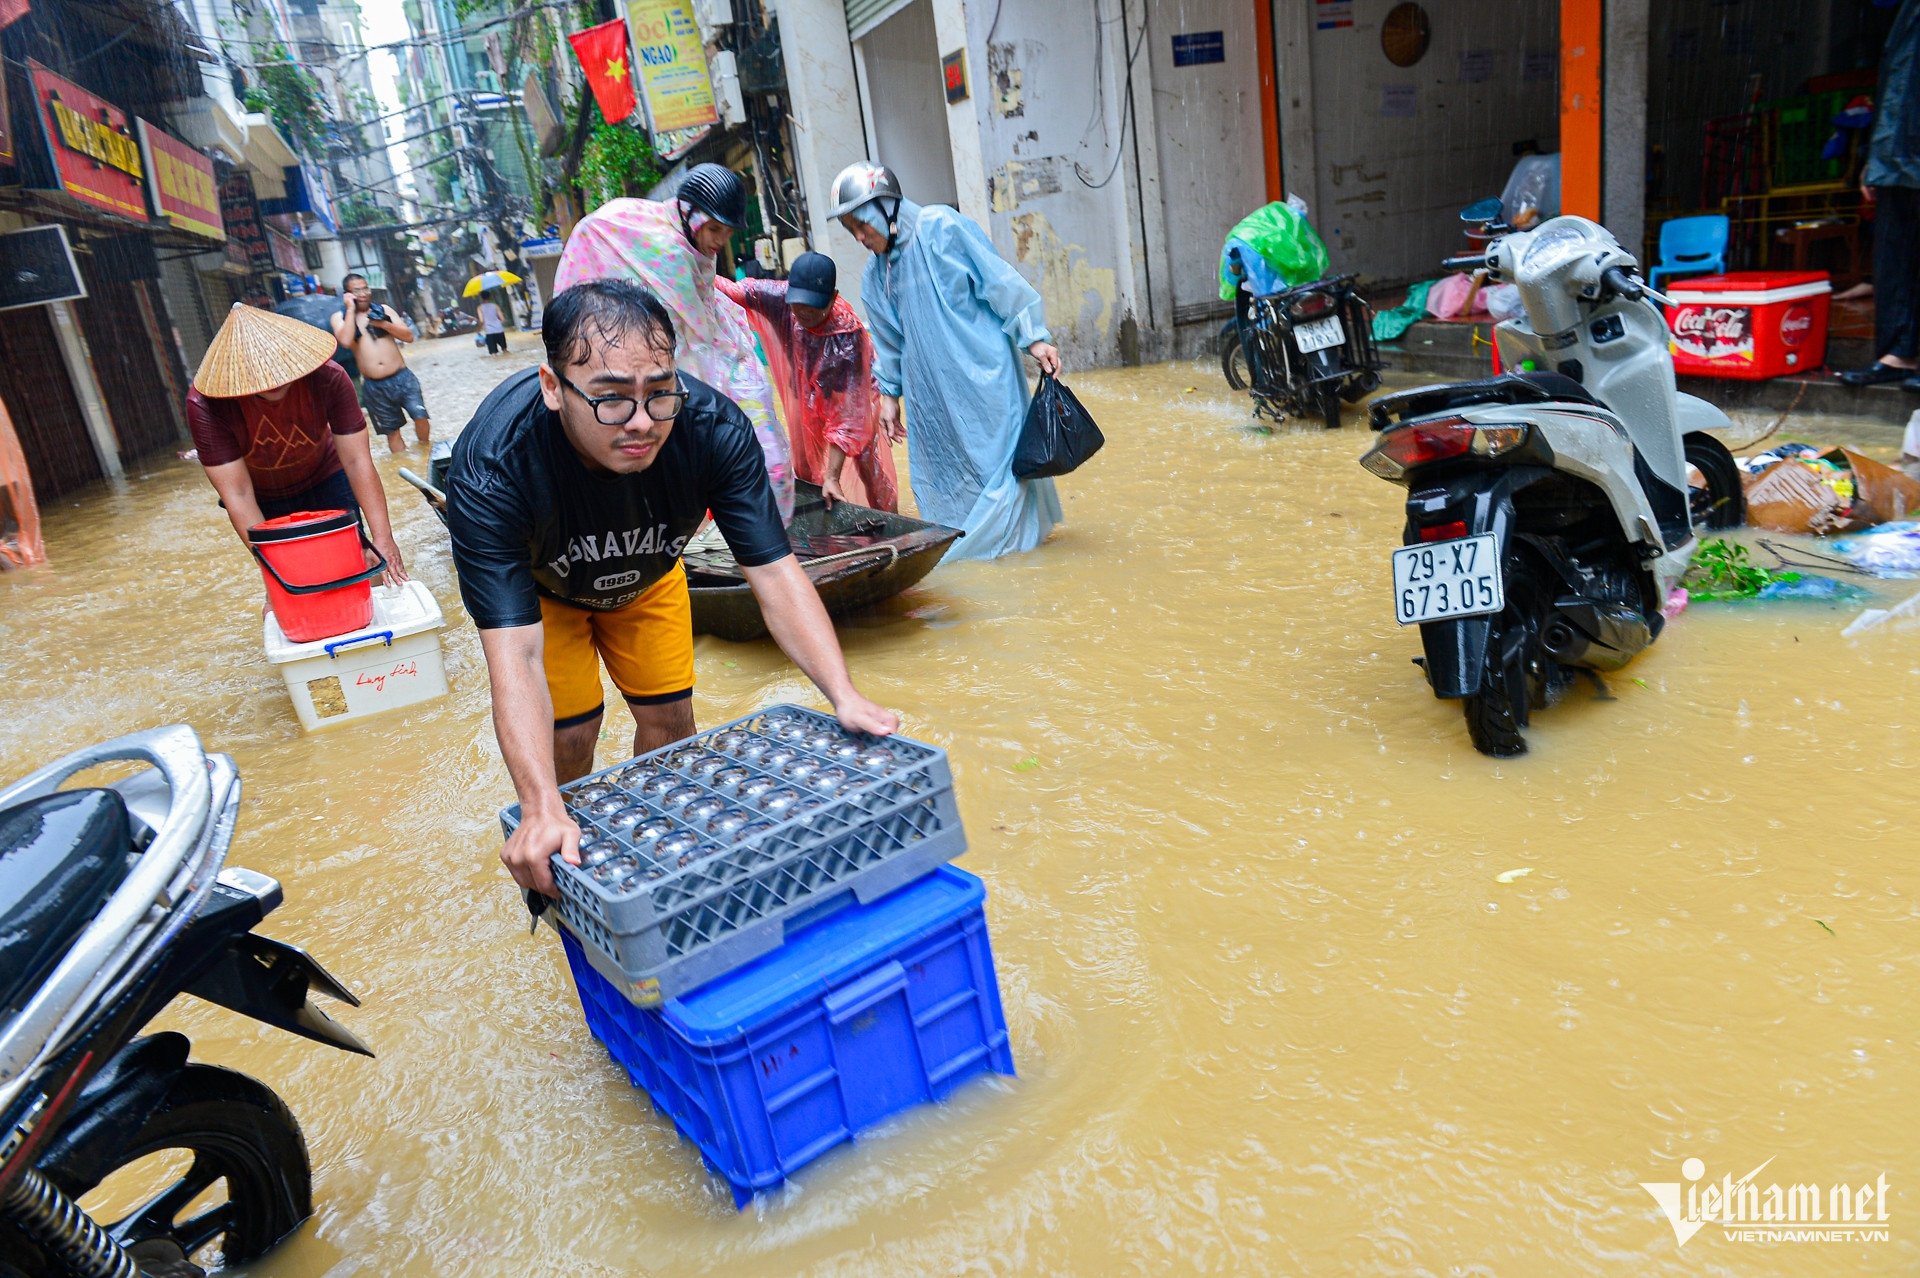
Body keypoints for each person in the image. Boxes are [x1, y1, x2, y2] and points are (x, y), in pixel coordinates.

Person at [445, 280, 897, 896]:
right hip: (543, 594)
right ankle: (558, 857)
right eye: (610, 400)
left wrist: (844, 694)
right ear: (553, 388)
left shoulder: (711, 430)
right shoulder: (494, 467)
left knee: (670, 725)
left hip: (647, 580)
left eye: (659, 394)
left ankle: (661, 868)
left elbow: (774, 574)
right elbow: (514, 653)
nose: (640, 423)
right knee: (570, 738)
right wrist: (538, 802)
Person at [827, 161, 1064, 559]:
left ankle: (1020, 558)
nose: (860, 238)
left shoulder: (942, 228)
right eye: (851, 231)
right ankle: (976, 559)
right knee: (945, 480)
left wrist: (1034, 338)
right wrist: (890, 397)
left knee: (999, 469)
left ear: (884, 208)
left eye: (861, 225)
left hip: (985, 380)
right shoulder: (875, 277)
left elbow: (997, 280)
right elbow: (889, 342)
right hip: (932, 398)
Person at [553, 162, 796, 524]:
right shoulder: (672, 251)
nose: (718, 241)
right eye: (714, 229)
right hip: (612, 342)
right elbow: (699, 332)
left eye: (726, 233)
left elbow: (701, 315)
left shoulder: (691, 243)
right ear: (689, 213)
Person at [187, 302, 407, 585]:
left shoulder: (329, 378)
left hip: (324, 475)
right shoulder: (205, 405)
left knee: (363, 563)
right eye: (258, 373)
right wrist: (271, 577)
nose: (271, 381)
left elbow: (356, 461)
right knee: (289, 578)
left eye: (277, 367)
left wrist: (383, 538)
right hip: (261, 495)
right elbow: (238, 494)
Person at [717, 252, 901, 511]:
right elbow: (732, 290)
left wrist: (832, 476)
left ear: (833, 297)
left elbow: (847, 420)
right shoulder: (778, 298)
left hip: (850, 399)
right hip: (806, 395)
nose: (804, 314)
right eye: (798, 305)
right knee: (804, 468)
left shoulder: (848, 336)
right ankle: (817, 520)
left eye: (814, 308)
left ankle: (893, 524)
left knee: (867, 462)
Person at [1839, 0, 1920, 390]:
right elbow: (1894, 91)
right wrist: (1876, 157)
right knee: (1893, 259)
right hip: (1896, 156)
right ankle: (1898, 354)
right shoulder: (1908, 14)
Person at [331, 274, 432, 455]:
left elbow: (409, 337)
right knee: (392, 433)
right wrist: (351, 309)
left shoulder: (383, 310)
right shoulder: (340, 317)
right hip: (374, 386)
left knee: (421, 416)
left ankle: (426, 454)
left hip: (403, 377)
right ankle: (406, 465)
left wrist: (384, 324)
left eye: (365, 288)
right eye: (357, 290)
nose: (363, 293)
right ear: (347, 294)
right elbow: (345, 341)